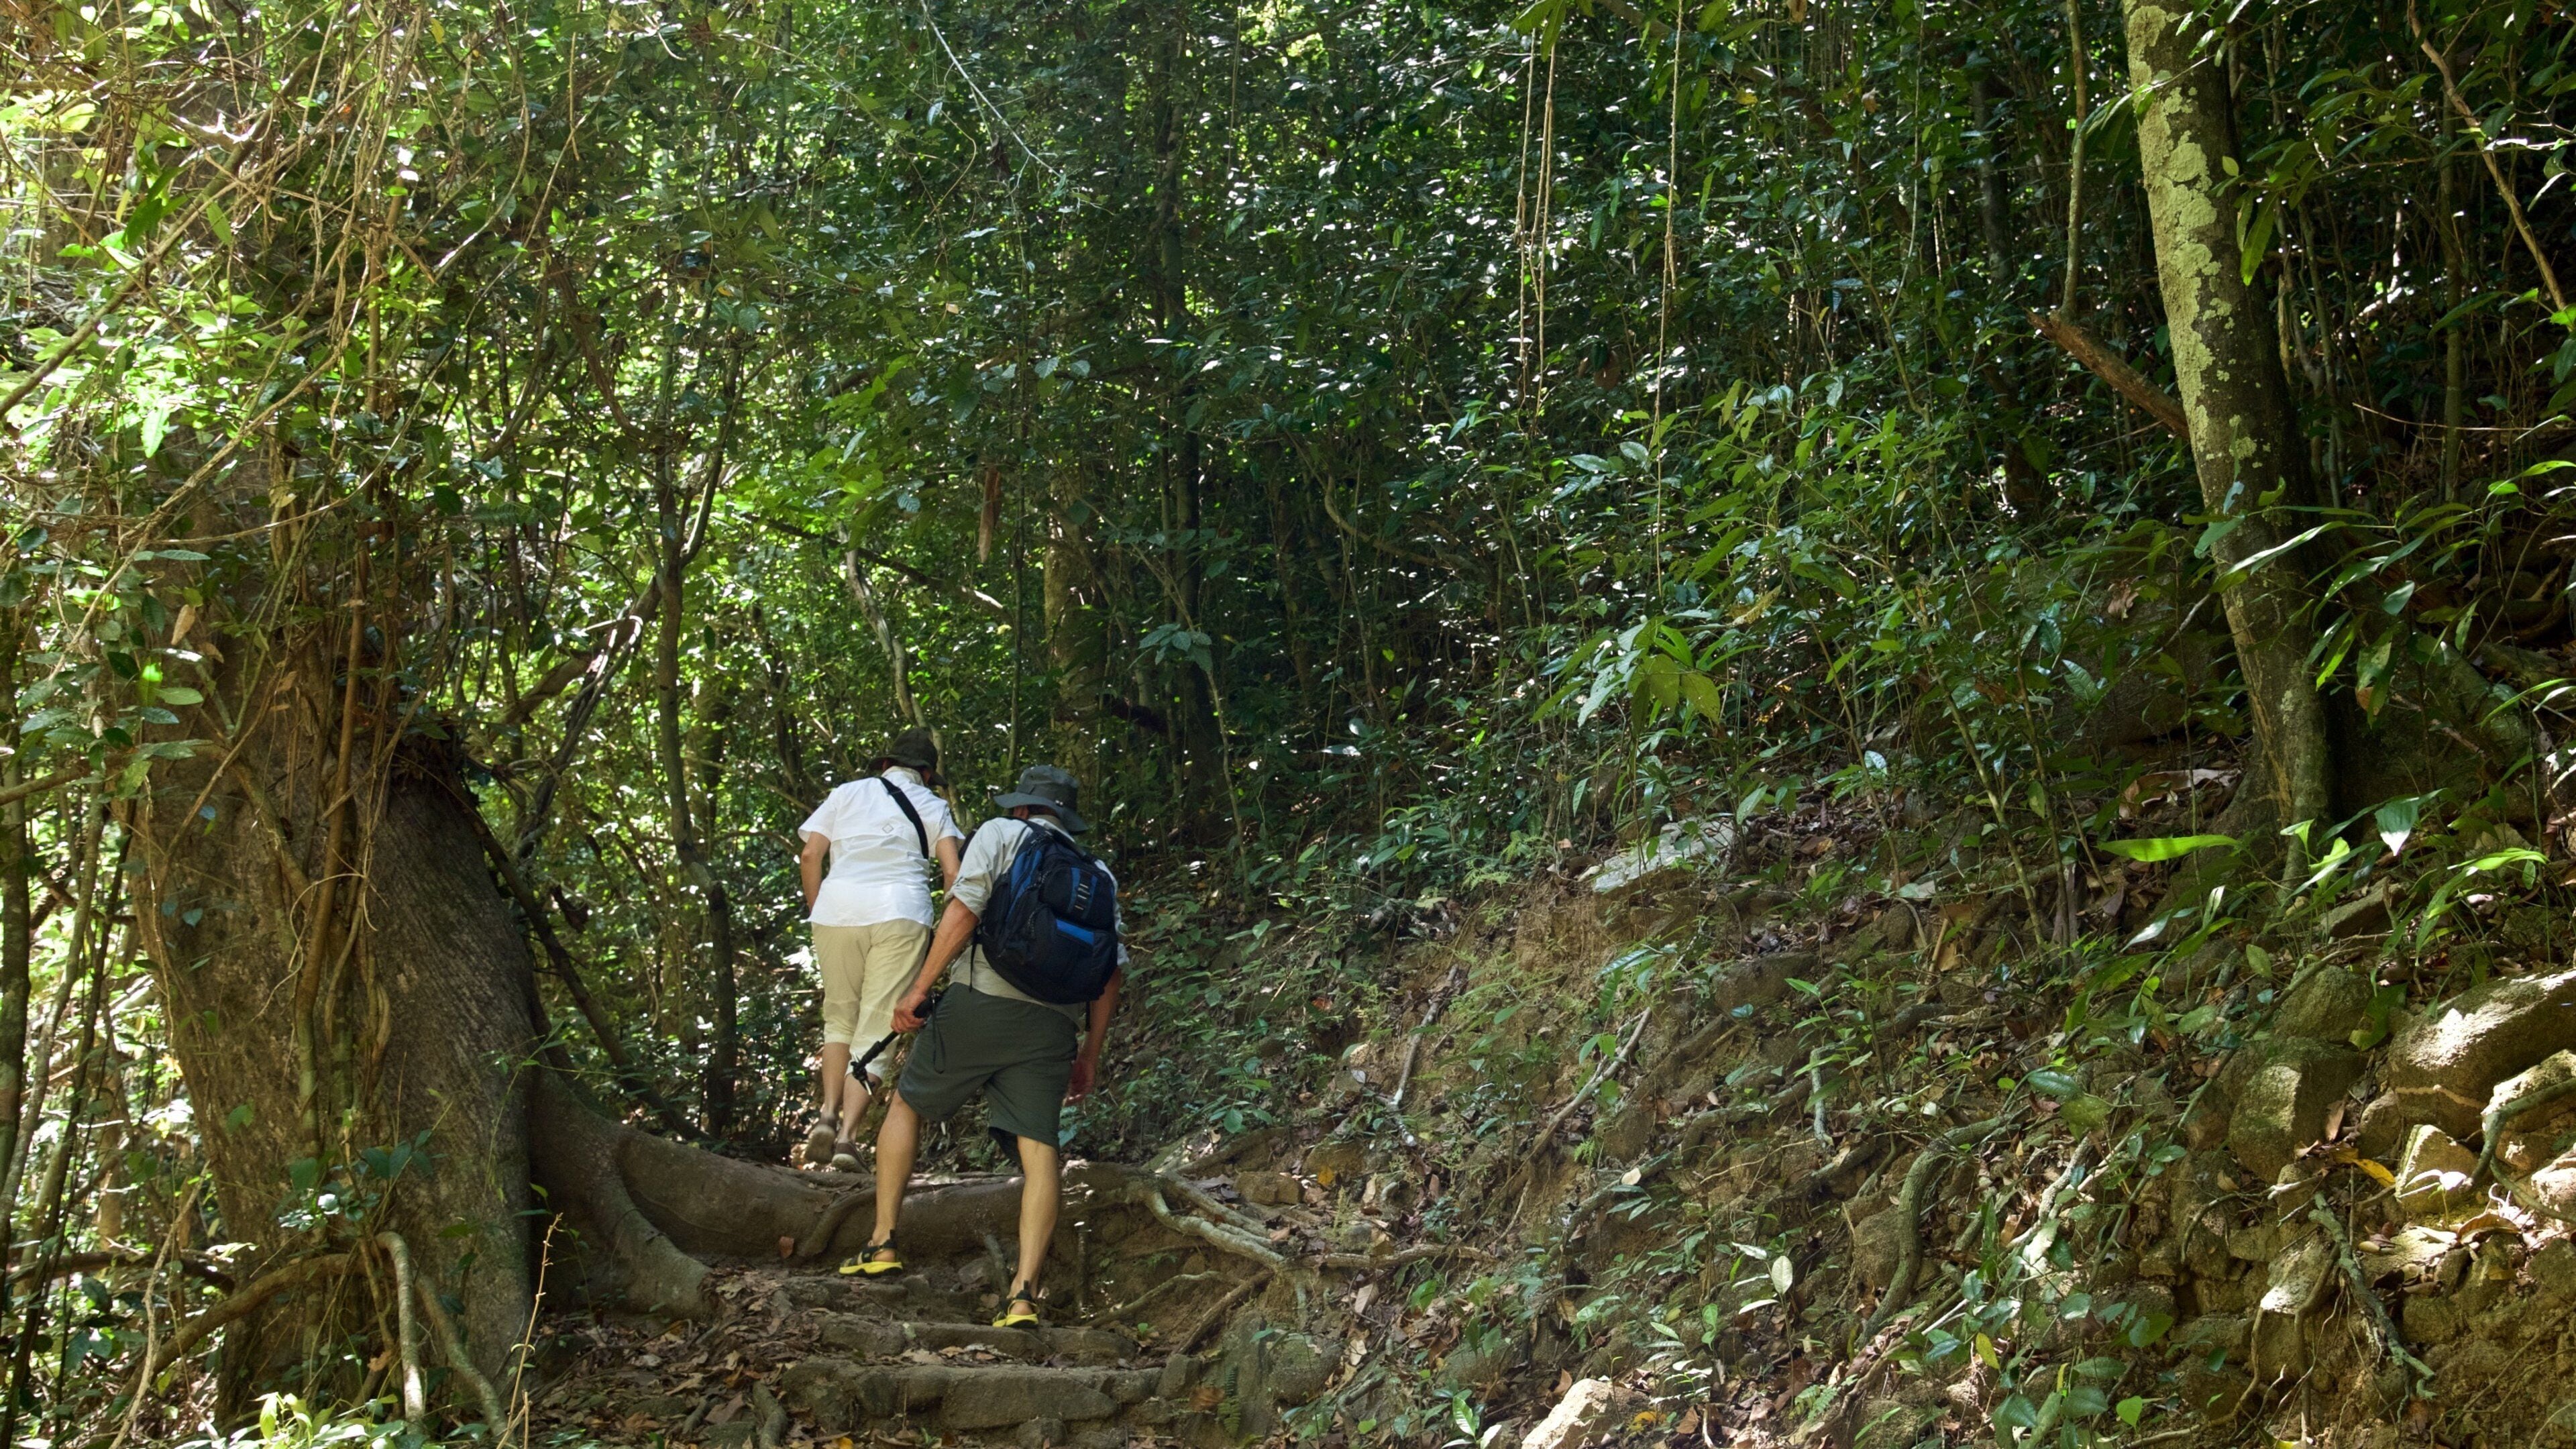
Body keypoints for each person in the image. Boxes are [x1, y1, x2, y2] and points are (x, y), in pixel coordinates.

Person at [843, 764, 1124, 1330]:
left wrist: (918, 990)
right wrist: (1090, 1054)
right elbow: (1112, 972)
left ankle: (883, 1242)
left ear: (1022, 807)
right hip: (1053, 1027)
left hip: (981, 1002)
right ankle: (1022, 1297)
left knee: (907, 1105)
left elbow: (964, 909)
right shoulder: (1099, 873)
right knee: (1040, 1151)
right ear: (1065, 816)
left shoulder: (1001, 833)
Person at [796, 728, 964, 1171]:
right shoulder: (934, 806)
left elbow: (811, 855)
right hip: (902, 914)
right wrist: (947, 930)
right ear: (926, 774)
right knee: (875, 1028)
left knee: (839, 1017)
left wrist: (820, 909)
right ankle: (848, 1139)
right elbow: (953, 873)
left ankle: (826, 1115)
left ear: (886, 765)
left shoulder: (846, 793)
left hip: (837, 911)